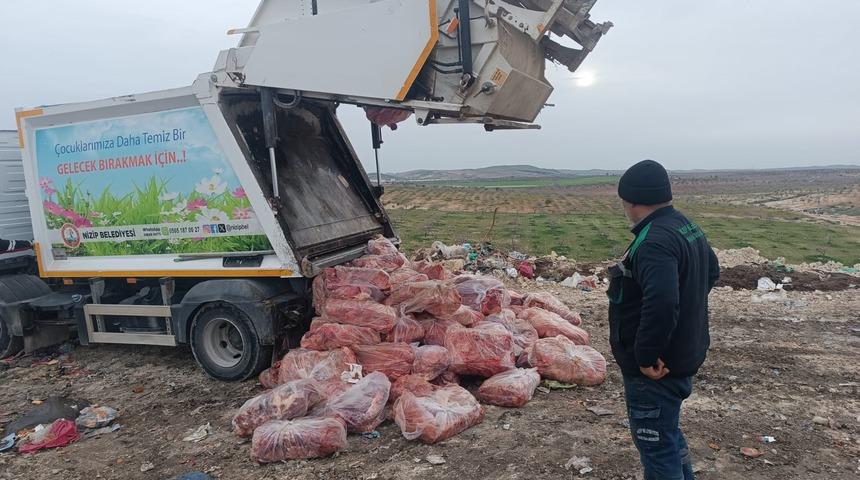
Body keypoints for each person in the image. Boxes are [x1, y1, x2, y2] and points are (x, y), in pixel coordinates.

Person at [607, 159, 720, 480]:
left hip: (656, 368)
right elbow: (712, 272)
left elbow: (662, 301)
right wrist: (686, 315)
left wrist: (645, 356)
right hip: (682, 355)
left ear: (631, 200)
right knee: (667, 435)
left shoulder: (654, 241)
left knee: (656, 448)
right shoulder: (685, 225)